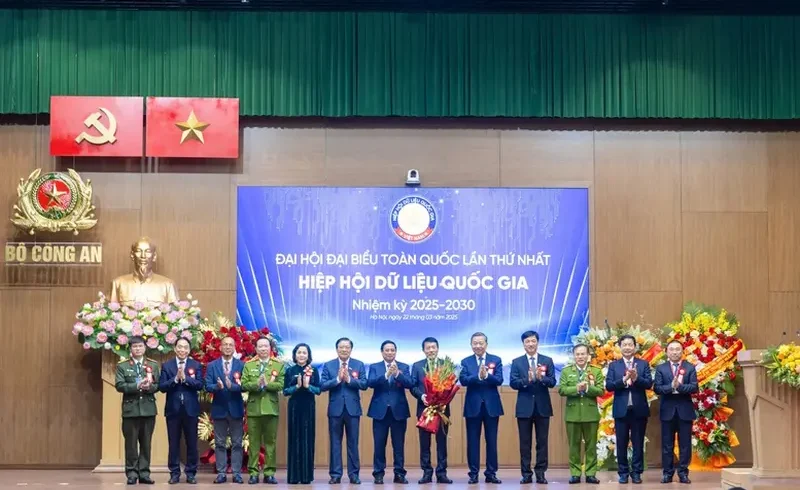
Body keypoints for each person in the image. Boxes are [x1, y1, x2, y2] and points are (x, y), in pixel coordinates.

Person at [509, 330, 556, 484]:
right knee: (525, 443)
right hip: (524, 408)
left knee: (542, 442)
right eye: (527, 341)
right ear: (523, 344)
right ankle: (526, 474)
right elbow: (513, 383)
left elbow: (552, 382)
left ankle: (541, 473)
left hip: (543, 407)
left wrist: (542, 378)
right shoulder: (517, 362)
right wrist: (527, 380)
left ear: (537, 342)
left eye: (533, 341)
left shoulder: (547, 360)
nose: (530, 344)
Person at [605, 335, 653, 484]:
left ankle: (637, 473)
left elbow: (649, 384)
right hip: (621, 410)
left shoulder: (643, 364)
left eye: (630, 344)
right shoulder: (614, 366)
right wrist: (624, 380)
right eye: (624, 345)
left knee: (638, 443)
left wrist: (636, 378)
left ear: (635, 347)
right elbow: (609, 386)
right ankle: (623, 473)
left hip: (639, 410)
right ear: (620, 347)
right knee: (621, 443)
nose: (627, 347)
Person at [320, 337, 368, 484]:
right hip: (335, 410)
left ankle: (354, 475)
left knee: (353, 443)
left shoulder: (359, 364)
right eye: (341, 347)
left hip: (353, 410)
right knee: (335, 443)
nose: (344, 349)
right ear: (337, 349)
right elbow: (322, 385)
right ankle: (335, 474)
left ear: (351, 349)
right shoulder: (329, 365)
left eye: (347, 347)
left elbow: (364, 384)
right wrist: (337, 379)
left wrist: (349, 380)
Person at [459, 332, 503, 485]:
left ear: (486, 344)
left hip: (492, 406)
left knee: (491, 441)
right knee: (472, 442)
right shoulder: (466, 361)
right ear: (471, 345)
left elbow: (499, 380)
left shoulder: (496, 360)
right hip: (473, 407)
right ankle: (473, 474)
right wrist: (478, 376)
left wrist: (486, 376)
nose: (478, 346)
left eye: (481, 343)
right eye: (475, 343)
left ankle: (491, 473)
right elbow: (463, 380)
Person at [115, 336, 160, 485]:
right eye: (135, 346)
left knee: (146, 444)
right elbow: (119, 385)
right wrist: (137, 386)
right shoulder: (122, 366)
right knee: (131, 445)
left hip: (148, 409)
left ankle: (144, 473)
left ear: (145, 348)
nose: (138, 349)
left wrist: (149, 387)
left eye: (140, 346)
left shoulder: (153, 365)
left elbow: (157, 385)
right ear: (130, 349)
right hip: (130, 410)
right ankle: (132, 473)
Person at [158, 337, 203, 485]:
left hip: (191, 410)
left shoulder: (196, 365)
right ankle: (174, 473)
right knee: (173, 443)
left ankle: (191, 473)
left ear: (189, 350)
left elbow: (200, 385)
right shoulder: (167, 366)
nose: (182, 350)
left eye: (185, 347)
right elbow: (162, 387)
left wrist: (186, 379)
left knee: (192, 443)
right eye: (180, 347)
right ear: (175, 348)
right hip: (173, 410)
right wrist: (175, 379)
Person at [367, 340, 413, 484]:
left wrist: (397, 374)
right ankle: (378, 474)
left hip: (398, 411)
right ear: (382, 352)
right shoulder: (375, 367)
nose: (389, 352)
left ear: (396, 352)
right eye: (387, 350)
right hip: (379, 412)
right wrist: (386, 375)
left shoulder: (404, 366)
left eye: (392, 350)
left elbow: (410, 383)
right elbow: (370, 383)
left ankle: (399, 474)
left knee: (398, 445)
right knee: (379, 445)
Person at [557, 344, 604, 485]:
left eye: (583, 354)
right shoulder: (566, 371)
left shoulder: (595, 371)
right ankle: (575, 474)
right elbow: (562, 390)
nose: (580, 357)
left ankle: (590, 474)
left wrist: (588, 388)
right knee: (574, 446)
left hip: (590, 414)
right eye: (577, 354)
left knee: (591, 446)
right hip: (573, 414)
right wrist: (576, 389)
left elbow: (601, 391)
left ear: (588, 356)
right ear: (574, 356)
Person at [241, 337, 285, 484]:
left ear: (270, 348)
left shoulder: (278, 365)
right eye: (260, 346)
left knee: (270, 442)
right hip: (254, 409)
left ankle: (269, 473)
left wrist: (267, 384)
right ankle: (253, 473)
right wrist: (256, 384)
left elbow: (281, 385)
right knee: (253, 443)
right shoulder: (249, 365)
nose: (263, 349)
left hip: (271, 409)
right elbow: (244, 384)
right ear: (256, 349)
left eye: (266, 346)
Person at [654, 340, 698, 484]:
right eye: (671, 349)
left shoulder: (690, 367)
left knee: (685, 445)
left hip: (685, 411)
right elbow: (657, 388)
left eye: (677, 349)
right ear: (667, 352)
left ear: (682, 351)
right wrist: (670, 387)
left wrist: (679, 387)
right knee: (667, 445)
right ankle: (667, 473)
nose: (674, 352)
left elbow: (694, 387)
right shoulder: (661, 368)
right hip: (667, 411)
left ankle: (683, 473)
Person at [410, 337, 452, 484]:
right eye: (428, 348)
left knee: (442, 443)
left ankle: (442, 473)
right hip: (424, 410)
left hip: (441, 410)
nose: (431, 350)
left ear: (438, 348)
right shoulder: (417, 366)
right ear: (423, 350)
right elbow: (413, 386)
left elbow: (450, 385)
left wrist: (442, 400)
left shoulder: (445, 364)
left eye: (433, 347)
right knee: (424, 443)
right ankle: (427, 473)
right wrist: (422, 396)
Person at [204, 336, 245, 484]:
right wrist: (217, 387)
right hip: (219, 409)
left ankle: (236, 473)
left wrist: (232, 387)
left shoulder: (241, 365)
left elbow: (245, 385)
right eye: (225, 344)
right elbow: (207, 385)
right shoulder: (212, 365)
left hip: (236, 409)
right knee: (220, 443)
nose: (227, 347)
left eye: (230, 345)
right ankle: (221, 473)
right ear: (220, 347)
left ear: (234, 347)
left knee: (237, 443)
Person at [283, 343, 320, 484]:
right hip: (294, 407)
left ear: (308, 355)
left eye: (304, 353)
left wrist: (307, 386)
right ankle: (293, 476)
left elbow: (318, 390)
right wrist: (297, 386)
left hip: (308, 407)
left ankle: (306, 477)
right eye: (299, 352)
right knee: (294, 439)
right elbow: (285, 391)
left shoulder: (313, 370)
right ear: (295, 354)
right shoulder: (290, 370)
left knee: (307, 439)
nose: (302, 355)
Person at [110, 237, 178, 307]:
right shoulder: (118, 283)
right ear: (132, 255)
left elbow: (174, 311)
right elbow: (111, 311)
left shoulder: (168, 285)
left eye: (148, 251)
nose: (143, 256)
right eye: (138, 251)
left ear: (154, 256)